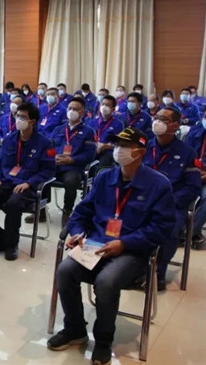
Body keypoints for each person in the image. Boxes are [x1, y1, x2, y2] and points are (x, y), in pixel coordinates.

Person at [47, 127, 175, 365]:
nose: (118, 150)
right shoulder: (104, 178)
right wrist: (76, 233)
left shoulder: (158, 184)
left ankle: (103, 340)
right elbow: (82, 211)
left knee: (106, 282)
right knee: (65, 271)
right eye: (117, 145)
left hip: (132, 251)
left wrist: (125, 243)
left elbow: (162, 229)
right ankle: (75, 329)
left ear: (140, 152)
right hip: (96, 245)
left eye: (125, 146)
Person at [0, 102, 56, 260]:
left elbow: (48, 171)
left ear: (32, 121)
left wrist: (29, 183)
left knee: (13, 203)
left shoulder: (45, 143)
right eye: (17, 116)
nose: (18, 120)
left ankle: (11, 244)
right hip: (6, 182)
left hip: (28, 186)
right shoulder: (9, 139)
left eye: (23, 117)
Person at [143, 107, 201, 290]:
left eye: (164, 119)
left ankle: (158, 271)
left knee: (168, 229)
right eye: (157, 117)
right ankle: (135, 265)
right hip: (142, 199)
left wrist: (169, 201)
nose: (158, 122)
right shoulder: (144, 147)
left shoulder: (187, 152)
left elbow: (193, 187)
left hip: (172, 203)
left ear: (175, 126)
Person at [47, 97, 97, 225]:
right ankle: (41, 209)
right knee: (41, 175)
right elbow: (49, 149)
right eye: (70, 108)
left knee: (71, 181)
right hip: (56, 165)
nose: (72, 111)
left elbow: (90, 155)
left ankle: (67, 211)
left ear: (82, 112)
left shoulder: (89, 132)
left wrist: (72, 160)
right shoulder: (58, 130)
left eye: (75, 109)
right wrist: (53, 157)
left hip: (74, 167)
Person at [184, 110, 206, 250]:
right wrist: (193, 172)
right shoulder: (194, 131)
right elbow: (184, 154)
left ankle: (191, 232)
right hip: (191, 172)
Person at [89, 95, 124, 168]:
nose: (104, 107)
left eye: (107, 105)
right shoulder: (92, 122)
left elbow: (119, 142)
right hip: (93, 149)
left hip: (108, 151)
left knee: (105, 162)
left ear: (113, 109)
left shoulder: (118, 124)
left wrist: (106, 146)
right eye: (103, 104)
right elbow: (87, 139)